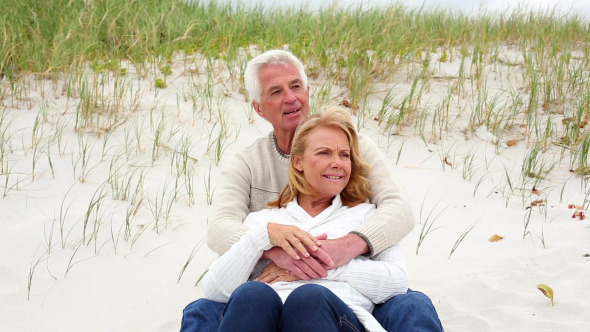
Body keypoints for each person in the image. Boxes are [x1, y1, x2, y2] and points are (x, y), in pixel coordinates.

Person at [181, 50, 443, 331]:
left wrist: (333, 254)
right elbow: (220, 229)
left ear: (307, 90)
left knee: (411, 306)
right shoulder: (247, 165)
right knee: (207, 309)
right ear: (258, 107)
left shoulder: (357, 149)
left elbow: (398, 210)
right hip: (267, 290)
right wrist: (273, 246)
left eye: (295, 86)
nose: (291, 98)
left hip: (342, 298)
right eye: (276, 92)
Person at [200, 108, 409, 332]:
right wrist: (262, 237)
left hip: (337, 320)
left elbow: (397, 282)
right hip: (266, 320)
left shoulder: (365, 217)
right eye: (324, 153)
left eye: (344, 155)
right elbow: (214, 290)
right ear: (298, 162)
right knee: (252, 294)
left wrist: (322, 266)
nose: (338, 162)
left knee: (308, 298)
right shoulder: (263, 222)